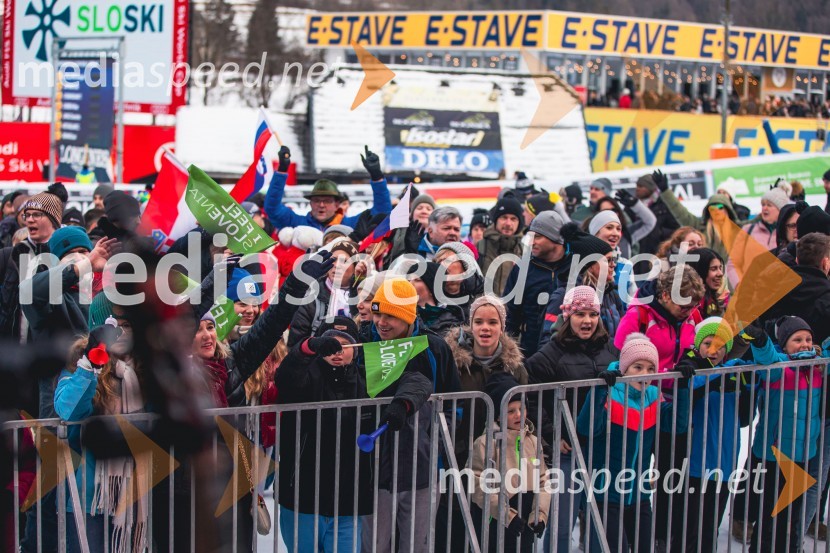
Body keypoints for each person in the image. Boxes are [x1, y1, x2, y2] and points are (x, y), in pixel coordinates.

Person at [360, 278, 460, 553]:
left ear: (408, 317)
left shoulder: (434, 348)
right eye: (378, 313)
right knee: (374, 546)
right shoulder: (363, 340)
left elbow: (454, 402)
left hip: (421, 469)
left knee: (417, 545)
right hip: (374, 470)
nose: (381, 322)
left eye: (390, 316)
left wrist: (434, 441)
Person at [577, 333, 691, 553]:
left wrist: (684, 386)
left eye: (650, 368)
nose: (644, 374)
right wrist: (600, 389)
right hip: (606, 492)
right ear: (625, 368)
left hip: (638, 494)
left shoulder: (653, 395)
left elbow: (678, 424)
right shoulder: (609, 390)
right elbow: (587, 428)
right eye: (637, 367)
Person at [526, 285, 619, 553]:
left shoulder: (609, 350)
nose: (587, 321)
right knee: (562, 522)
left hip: (601, 447)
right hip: (567, 449)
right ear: (567, 316)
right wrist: (551, 431)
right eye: (580, 314)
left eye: (592, 314)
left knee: (597, 518)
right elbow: (530, 395)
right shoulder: (552, 352)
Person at [275, 317, 373, 552]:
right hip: (302, 498)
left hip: (349, 501)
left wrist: (406, 402)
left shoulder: (368, 379)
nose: (337, 350)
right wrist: (307, 348)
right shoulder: (304, 375)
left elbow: (413, 379)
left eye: (345, 344)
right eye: (330, 343)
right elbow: (285, 378)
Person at [54, 314, 145, 553]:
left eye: (128, 325)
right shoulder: (78, 366)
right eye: (116, 327)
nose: (122, 333)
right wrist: (91, 364)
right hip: (88, 497)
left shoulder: (139, 373)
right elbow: (68, 409)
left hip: (132, 494)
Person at [669, 318, 754, 553]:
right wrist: (706, 377)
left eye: (720, 344)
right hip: (695, 465)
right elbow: (683, 402)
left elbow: (746, 419)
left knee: (711, 527)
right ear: (697, 346)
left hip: (725, 463)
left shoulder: (735, 373)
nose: (713, 349)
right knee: (688, 527)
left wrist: (746, 390)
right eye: (707, 343)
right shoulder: (689, 366)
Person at [740, 317, 825, 553]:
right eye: (797, 340)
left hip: (803, 454)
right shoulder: (779, 368)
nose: (805, 344)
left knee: (793, 517)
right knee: (770, 515)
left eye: (808, 339)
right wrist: (760, 340)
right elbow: (767, 356)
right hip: (774, 456)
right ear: (785, 344)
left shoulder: (818, 367)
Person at [471, 372, 550, 553]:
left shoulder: (533, 441)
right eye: (511, 410)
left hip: (527, 517)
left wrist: (539, 515)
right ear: (498, 416)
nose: (518, 415)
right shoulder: (485, 443)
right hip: (498, 520)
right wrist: (506, 515)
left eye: (522, 408)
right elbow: (478, 484)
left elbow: (544, 480)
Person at [264, 145, 392, 231]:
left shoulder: (351, 226)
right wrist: (282, 170)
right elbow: (272, 209)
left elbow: (381, 213)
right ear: (310, 203)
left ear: (337, 205)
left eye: (327, 200)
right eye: (316, 200)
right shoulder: (297, 223)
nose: (321, 205)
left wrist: (377, 176)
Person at [541, 225, 624, 343]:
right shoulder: (563, 296)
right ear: (589, 266)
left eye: (614, 260)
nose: (613, 265)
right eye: (608, 260)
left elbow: (623, 335)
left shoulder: (612, 295)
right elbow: (547, 341)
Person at [504, 211, 569, 356]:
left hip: (571, 355)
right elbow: (510, 319)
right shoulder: (521, 269)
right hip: (532, 354)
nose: (532, 242)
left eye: (537, 237)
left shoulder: (576, 266)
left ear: (555, 238)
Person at [653, 173, 743, 260]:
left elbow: (756, 223)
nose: (716, 210)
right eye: (712, 207)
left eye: (720, 207)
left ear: (728, 210)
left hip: (730, 274)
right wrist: (665, 191)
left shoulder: (740, 229)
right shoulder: (699, 227)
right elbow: (680, 212)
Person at [287, 240, 359, 347]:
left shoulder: (363, 296)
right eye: (333, 259)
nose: (337, 265)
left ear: (355, 269)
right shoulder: (311, 295)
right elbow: (296, 342)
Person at [726, 185, 789, 288]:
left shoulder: (787, 234)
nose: (765, 208)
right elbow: (732, 263)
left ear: (780, 210)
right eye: (763, 204)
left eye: (769, 205)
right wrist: (739, 285)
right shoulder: (748, 230)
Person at [477, 197, 525, 295]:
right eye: (504, 217)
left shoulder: (525, 252)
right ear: (496, 220)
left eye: (513, 219)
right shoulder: (480, 247)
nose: (508, 223)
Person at [406, 261, 466, 336]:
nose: (410, 284)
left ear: (433, 289)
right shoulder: (401, 315)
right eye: (408, 280)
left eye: (418, 280)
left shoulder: (451, 324)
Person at [633, 170, 679, 257]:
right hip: (637, 253)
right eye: (637, 185)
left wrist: (659, 232)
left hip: (658, 253)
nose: (637, 188)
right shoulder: (632, 205)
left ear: (650, 188)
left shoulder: (665, 205)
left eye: (641, 186)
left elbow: (676, 229)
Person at [689, 248, 729, 319]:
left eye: (720, 268)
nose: (720, 273)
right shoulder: (688, 305)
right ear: (699, 272)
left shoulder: (722, 297)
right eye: (713, 269)